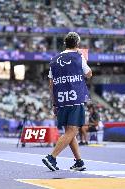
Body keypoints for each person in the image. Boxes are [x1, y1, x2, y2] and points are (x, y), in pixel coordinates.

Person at [42, 32, 92, 171]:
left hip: (61, 99)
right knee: (72, 131)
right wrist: (84, 62)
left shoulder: (54, 60)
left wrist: (54, 103)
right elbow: (89, 74)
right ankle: (52, 157)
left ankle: (79, 162)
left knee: (70, 132)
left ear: (65, 43)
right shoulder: (78, 57)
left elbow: (51, 84)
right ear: (77, 44)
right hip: (75, 98)